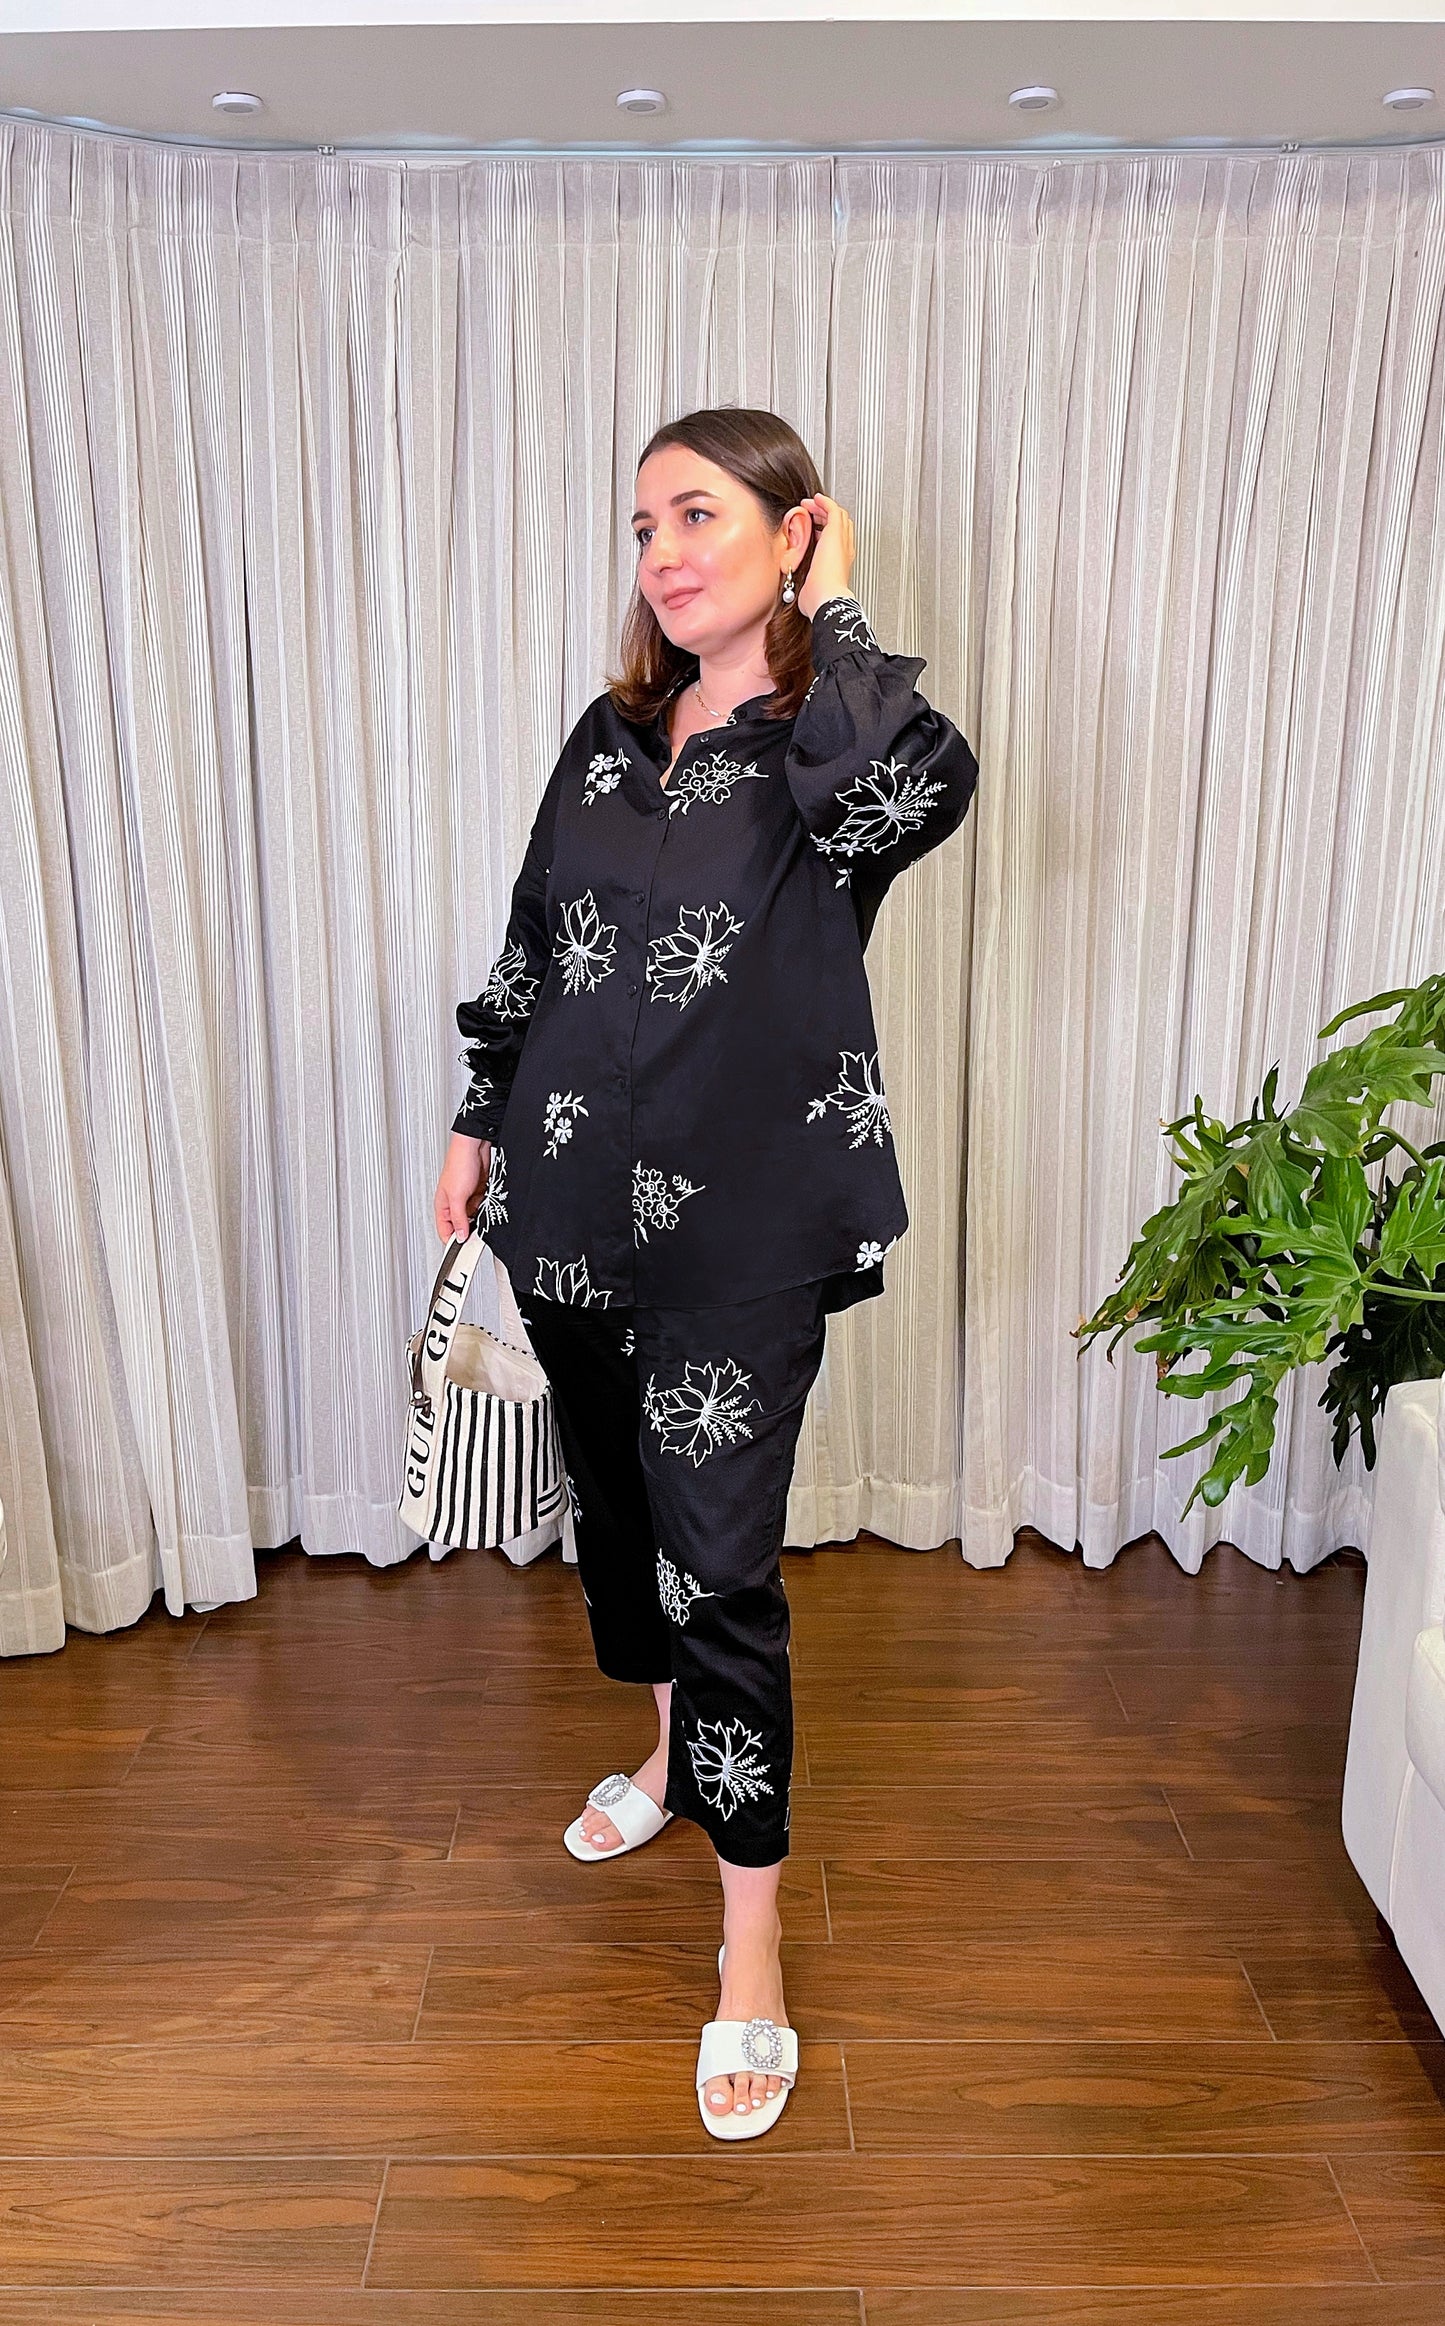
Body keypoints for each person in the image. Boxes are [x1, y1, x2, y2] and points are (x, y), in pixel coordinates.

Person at [434, 404, 978, 2140]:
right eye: (642, 526)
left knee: (722, 1569)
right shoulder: (607, 736)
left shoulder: (833, 744)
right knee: (614, 1519)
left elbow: (916, 789)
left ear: (792, 530)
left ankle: (750, 1944)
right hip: (565, 1206)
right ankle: (669, 1754)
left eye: (697, 515)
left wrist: (836, 607)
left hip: (745, 1228)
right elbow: (535, 932)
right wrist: (477, 1115)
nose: (662, 554)